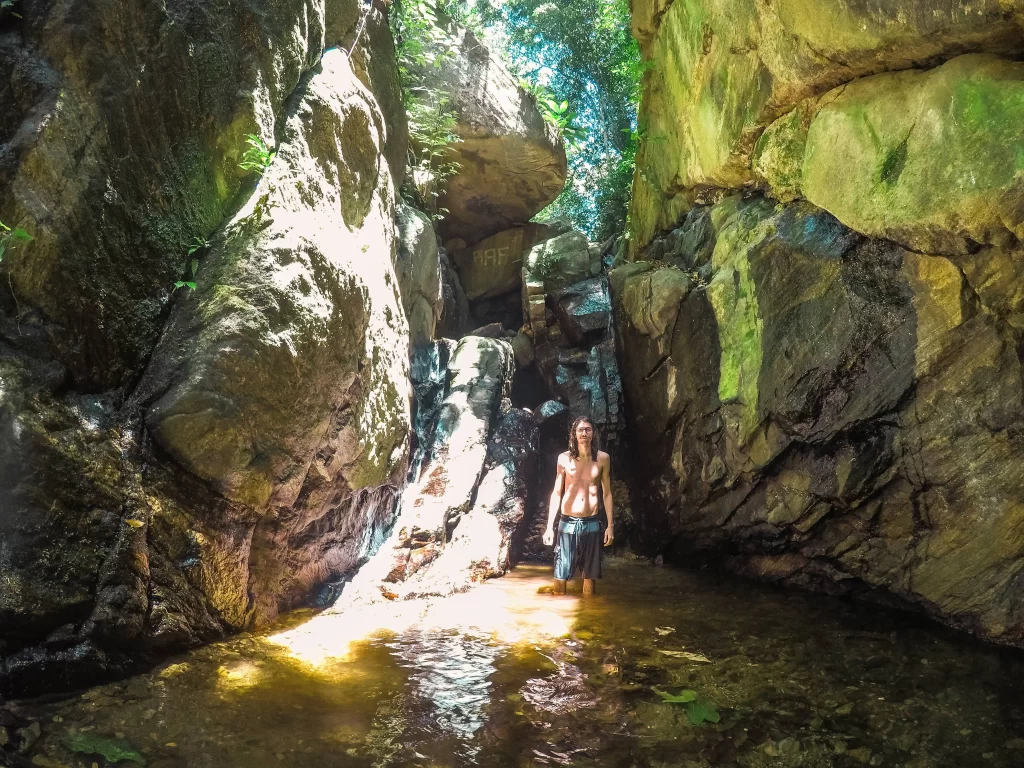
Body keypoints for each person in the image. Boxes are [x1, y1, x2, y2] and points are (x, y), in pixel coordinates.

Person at [542, 416, 614, 595]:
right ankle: (558, 609)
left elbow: (607, 493)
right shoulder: (564, 459)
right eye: (580, 430)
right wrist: (549, 527)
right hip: (567, 523)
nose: (584, 433)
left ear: (593, 433)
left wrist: (610, 526)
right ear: (574, 434)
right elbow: (557, 492)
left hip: (592, 522)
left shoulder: (603, 459)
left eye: (588, 429)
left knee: (590, 575)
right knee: (560, 573)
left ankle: (588, 615)